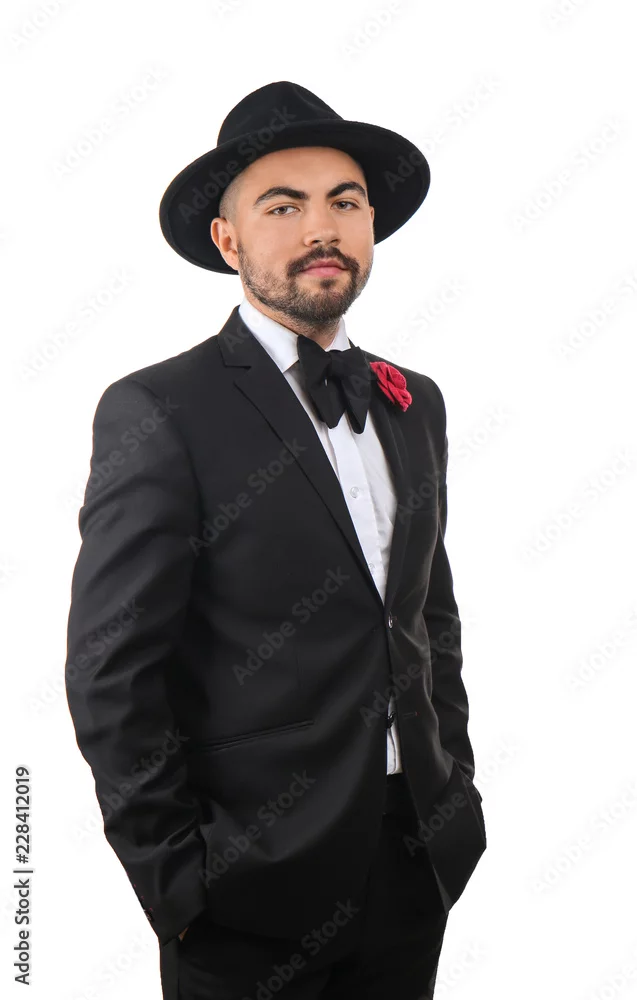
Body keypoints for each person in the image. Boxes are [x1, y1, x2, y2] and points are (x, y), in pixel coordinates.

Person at [65, 80, 486, 999]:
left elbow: (429, 617)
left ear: (370, 222)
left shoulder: (412, 401)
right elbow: (111, 669)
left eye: (344, 202)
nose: (320, 229)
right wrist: (177, 883)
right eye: (283, 206)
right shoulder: (159, 408)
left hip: (412, 858)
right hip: (245, 889)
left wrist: (454, 790)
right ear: (228, 241)